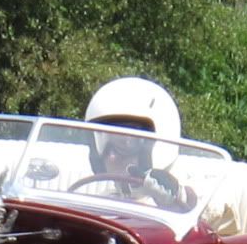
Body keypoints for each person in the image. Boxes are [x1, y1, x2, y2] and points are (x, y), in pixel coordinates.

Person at [83, 77, 196, 212]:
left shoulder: (198, 196)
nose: (112, 157)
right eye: (103, 143)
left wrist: (178, 200)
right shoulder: (100, 203)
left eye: (124, 143)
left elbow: (209, 214)